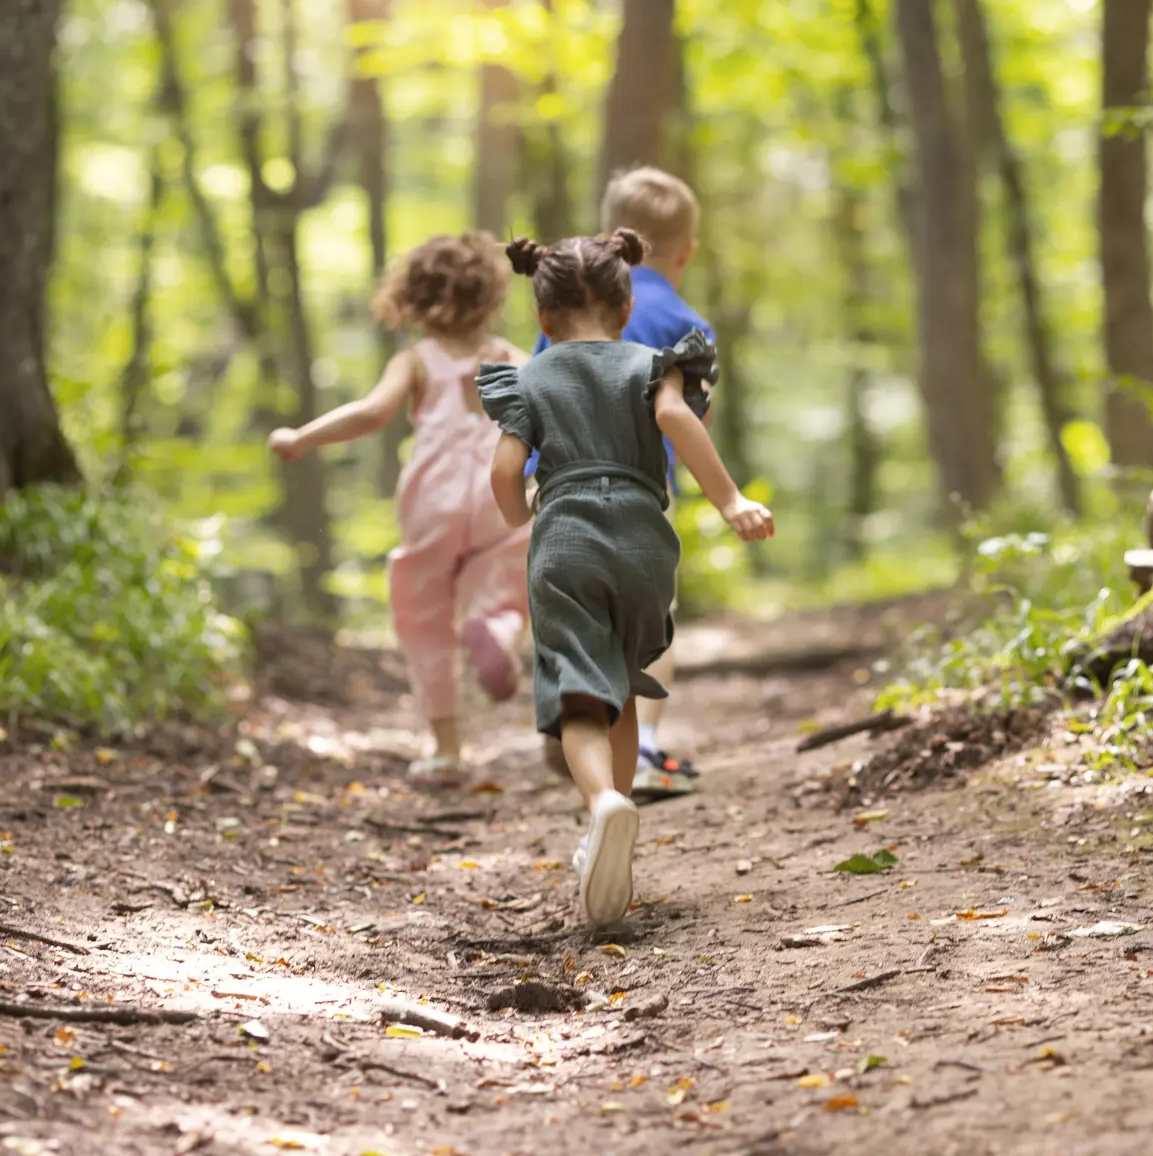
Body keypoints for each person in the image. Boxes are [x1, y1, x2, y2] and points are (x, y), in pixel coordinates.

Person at [478, 229, 774, 927]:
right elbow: (676, 418)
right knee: (625, 679)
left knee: (580, 696)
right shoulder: (654, 363)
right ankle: (624, 807)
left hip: (568, 544)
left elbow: (502, 470)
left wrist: (519, 513)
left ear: (541, 320)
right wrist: (730, 500)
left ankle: (601, 806)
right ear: (626, 303)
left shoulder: (530, 377)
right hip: (644, 540)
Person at [268, 233, 529, 788]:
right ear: (491, 296)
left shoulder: (416, 361)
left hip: (432, 499)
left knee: (424, 614)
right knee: (504, 576)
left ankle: (446, 747)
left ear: (412, 299)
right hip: (499, 492)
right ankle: (500, 626)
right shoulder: (514, 359)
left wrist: (302, 437)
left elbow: (369, 414)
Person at [530, 167, 712, 799]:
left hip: (565, 504)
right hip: (643, 506)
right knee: (650, 628)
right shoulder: (688, 326)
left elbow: (539, 406)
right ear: (686, 251)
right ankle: (645, 747)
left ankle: (576, 732)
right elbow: (690, 418)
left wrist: (533, 486)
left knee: (572, 621)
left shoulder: (566, 311)